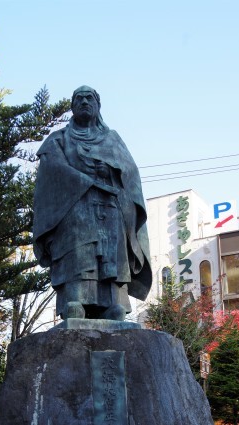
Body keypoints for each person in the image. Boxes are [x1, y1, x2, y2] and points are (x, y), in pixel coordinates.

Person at [33, 85, 151, 321]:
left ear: (98, 106)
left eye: (90, 98)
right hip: (74, 206)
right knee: (79, 251)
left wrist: (110, 170)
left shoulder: (112, 138)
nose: (84, 102)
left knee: (112, 254)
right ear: (72, 107)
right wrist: (82, 179)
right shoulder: (58, 139)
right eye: (79, 99)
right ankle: (74, 302)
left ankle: (114, 303)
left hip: (110, 206)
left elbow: (131, 172)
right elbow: (51, 169)